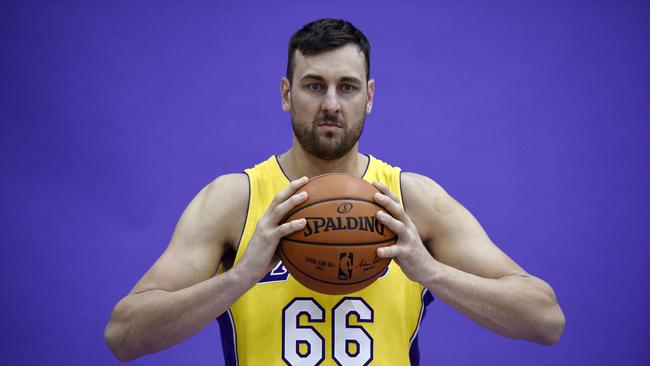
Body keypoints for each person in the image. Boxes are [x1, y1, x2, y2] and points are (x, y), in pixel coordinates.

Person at [104, 18, 565, 365]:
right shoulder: (235, 201)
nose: (330, 104)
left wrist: (431, 273)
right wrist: (238, 277)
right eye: (313, 85)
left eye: (346, 87)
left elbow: (545, 320)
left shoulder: (412, 201)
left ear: (369, 96)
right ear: (286, 94)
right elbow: (124, 335)